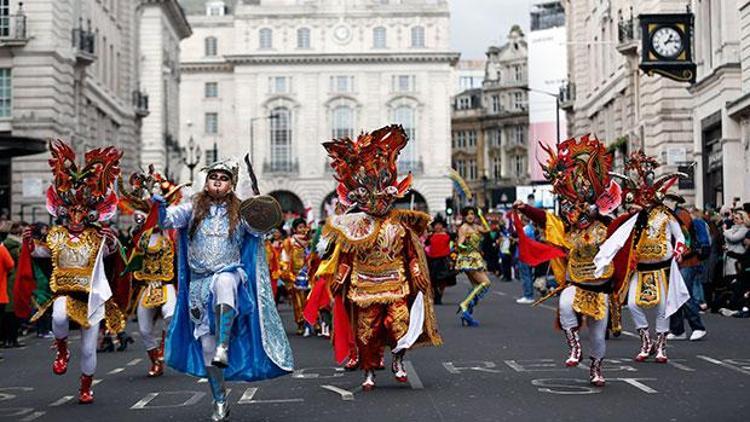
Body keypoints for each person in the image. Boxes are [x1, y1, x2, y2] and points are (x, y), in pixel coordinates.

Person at [158, 159, 293, 421]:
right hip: (199, 285)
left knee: (224, 281)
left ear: (231, 185)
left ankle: (224, 344)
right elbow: (166, 221)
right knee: (207, 350)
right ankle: (220, 399)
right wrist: (158, 205)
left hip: (231, 277)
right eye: (213, 177)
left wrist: (261, 206)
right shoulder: (191, 209)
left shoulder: (240, 212)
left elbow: (262, 228)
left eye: (223, 178)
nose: (218, 181)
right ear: (207, 182)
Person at [317, 124, 441, 391]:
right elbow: (347, 255)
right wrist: (340, 276)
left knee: (399, 323)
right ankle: (369, 371)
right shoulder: (356, 227)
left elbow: (410, 253)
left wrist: (417, 270)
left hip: (396, 282)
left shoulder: (399, 226)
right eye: (373, 200)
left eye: (384, 199)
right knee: (366, 332)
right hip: (364, 285)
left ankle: (397, 359)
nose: (379, 204)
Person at [23, 141, 127, 404]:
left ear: (91, 212)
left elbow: (111, 254)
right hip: (65, 291)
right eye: (72, 211)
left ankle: (85, 386)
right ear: (63, 212)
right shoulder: (56, 235)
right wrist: (28, 242)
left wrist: (111, 239)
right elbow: (40, 253)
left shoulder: (96, 236)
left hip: (90, 296)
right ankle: (61, 349)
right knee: (58, 315)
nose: (76, 216)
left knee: (89, 348)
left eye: (81, 211)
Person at [515, 134, 623, 387]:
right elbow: (546, 220)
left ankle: (596, 368)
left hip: (600, 287)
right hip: (576, 281)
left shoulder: (606, 226)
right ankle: (575, 348)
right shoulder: (567, 230)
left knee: (598, 335)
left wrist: (632, 215)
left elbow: (622, 228)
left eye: (577, 208)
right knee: (564, 305)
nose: (572, 213)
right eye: (568, 208)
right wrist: (525, 209)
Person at [594, 151, 692, 364]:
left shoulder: (666, 215)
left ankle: (661, 346)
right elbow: (619, 236)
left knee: (662, 307)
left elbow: (681, 236)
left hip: (662, 269)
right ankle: (646, 341)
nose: (645, 201)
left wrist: (678, 251)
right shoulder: (634, 218)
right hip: (640, 268)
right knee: (633, 304)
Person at [119, 167, 182, 377]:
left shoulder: (170, 234)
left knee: (171, 316)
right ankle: (155, 361)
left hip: (165, 286)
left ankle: (164, 349)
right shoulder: (140, 239)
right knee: (144, 329)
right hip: (147, 287)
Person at [667, 198, 707, 341]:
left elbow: (684, 238)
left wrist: (679, 253)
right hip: (678, 261)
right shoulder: (671, 214)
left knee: (684, 294)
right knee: (674, 295)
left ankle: (698, 326)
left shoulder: (680, 215)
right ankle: (677, 329)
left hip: (687, 260)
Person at [455, 207, 492, 326]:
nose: (470, 216)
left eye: (472, 214)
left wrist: (481, 216)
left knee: (476, 286)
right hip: (469, 259)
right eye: (468, 214)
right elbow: (459, 244)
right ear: (464, 216)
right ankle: (465, 304)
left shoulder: (476, 227)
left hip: (476, 258)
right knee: (485, 283)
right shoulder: (464, 228)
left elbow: (488, 229)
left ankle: (467, 313)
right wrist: (467, 247)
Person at [280, 217, 312, 336]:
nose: (302, 229)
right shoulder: (289, 242)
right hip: (295, 275)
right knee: (298, 301)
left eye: (304, 227)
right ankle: (300, 323)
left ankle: (313, 322)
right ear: (294, 229)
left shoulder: (310, 242)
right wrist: (287, 274)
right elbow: (285, 258)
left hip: (309, 273)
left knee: (310, 299)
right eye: (300, 227)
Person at [425, 216, 455, 305]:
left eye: (440, 225)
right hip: (432, 260)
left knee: (443, 280)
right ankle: (436, 295)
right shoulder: (430, 236)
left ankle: (440, 295)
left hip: (444, 260)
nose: (438, 227)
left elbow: (456, 243)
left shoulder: (448, 235)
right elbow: (426, 246)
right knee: (433, 280)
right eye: (436, 225)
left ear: (443, 226)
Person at [515, 215, 535, 304]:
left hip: (524, 255)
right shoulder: (531, 229)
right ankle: (529, 295)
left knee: (525, 276)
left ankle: (528, 295)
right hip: (528, 255)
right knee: (528, 276)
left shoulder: (525, 230)